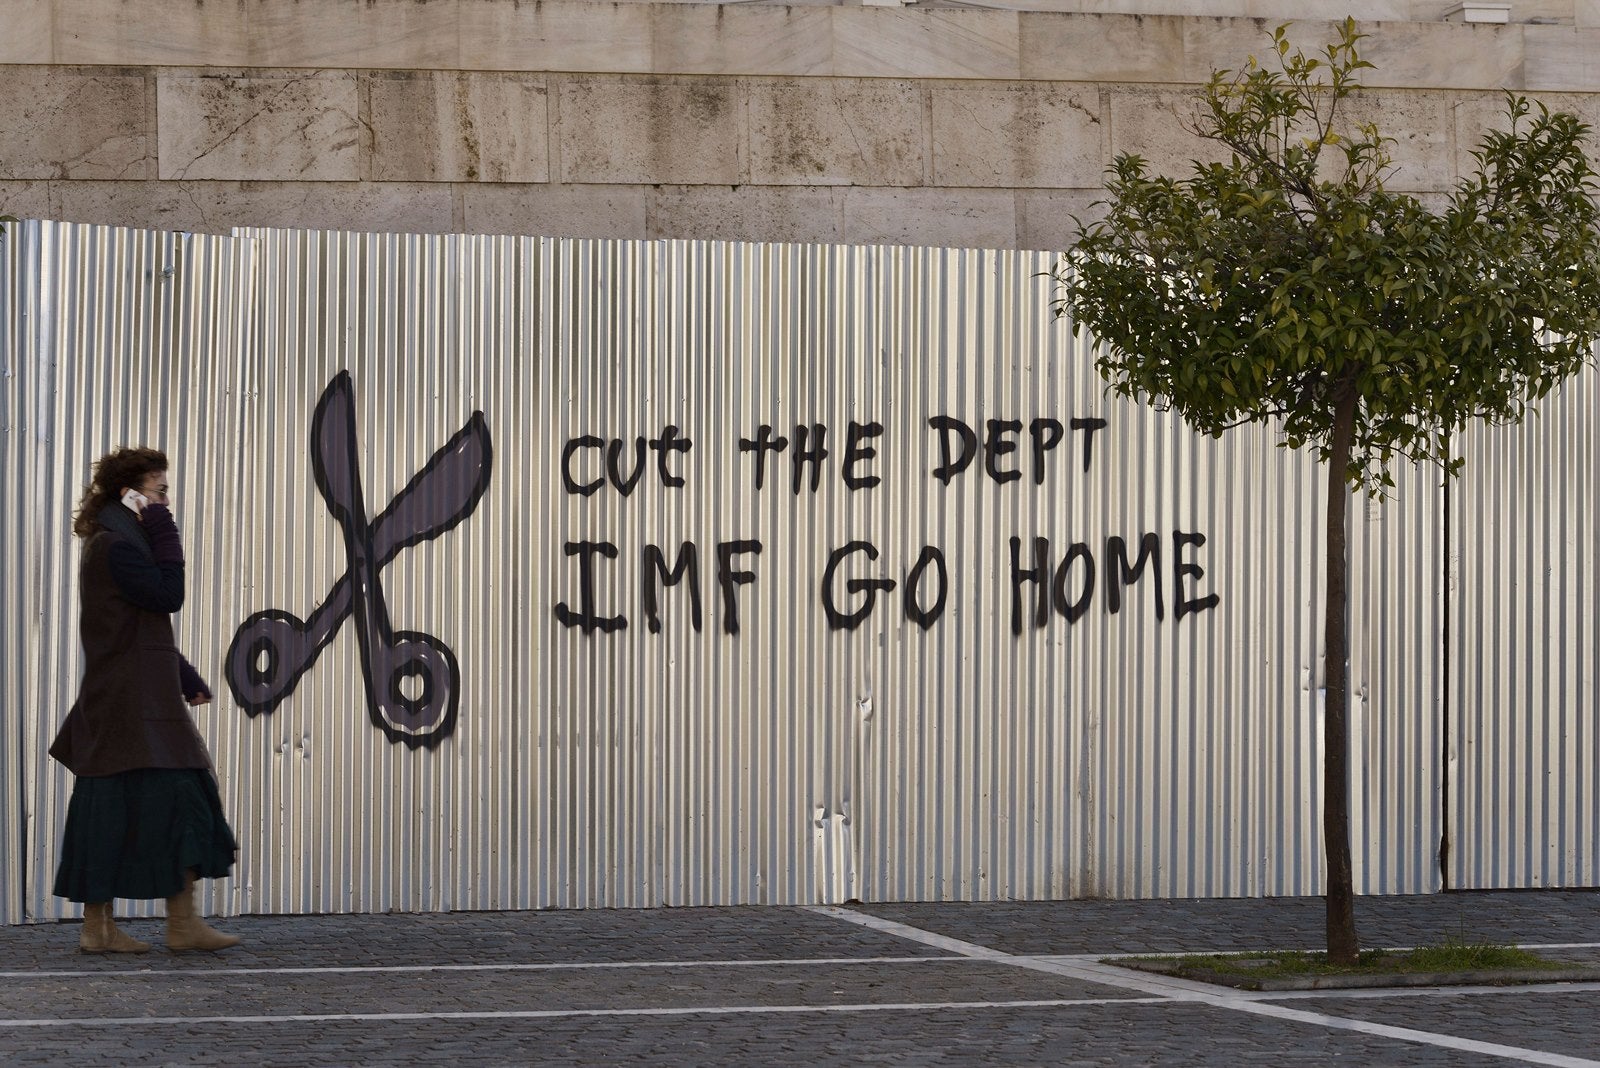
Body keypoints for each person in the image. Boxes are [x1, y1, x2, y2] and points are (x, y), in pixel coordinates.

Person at [49, 446, 241, 953]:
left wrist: (182, 674)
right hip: (129, 704)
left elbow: (138, 624)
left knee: (154, 805)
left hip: (136, 697)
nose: (165, 501)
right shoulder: (118, 546)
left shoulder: (117, 542)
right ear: (129, 493)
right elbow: (167, 594)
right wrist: (165, 532)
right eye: (158, 491)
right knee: (142, 805)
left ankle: (166, 926)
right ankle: (117, 929)